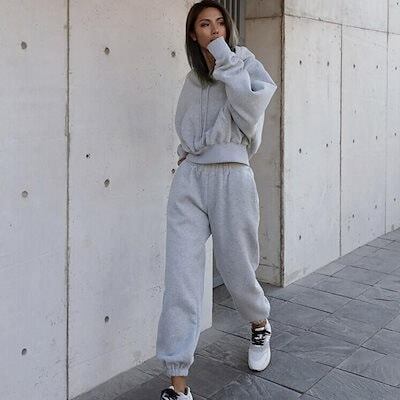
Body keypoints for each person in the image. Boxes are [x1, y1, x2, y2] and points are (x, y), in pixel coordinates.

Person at [156, 1, 277, 399]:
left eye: (220, 23)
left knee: (238, 269)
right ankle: (178, 384)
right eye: (204, 25)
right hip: (191, 180)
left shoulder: (246, 66)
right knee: (181, 280)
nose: (214, 30)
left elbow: (249, 111)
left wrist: (226, 57)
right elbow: (186, 125)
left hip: (232, 176)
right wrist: (187, 156)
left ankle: (259, 323)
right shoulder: (193, 79)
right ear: (193, 34)